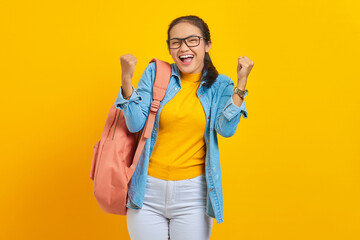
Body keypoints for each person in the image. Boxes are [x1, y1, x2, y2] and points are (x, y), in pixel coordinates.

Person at [115, 15, 254, 240]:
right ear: (169, 48)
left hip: (193, 196)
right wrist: (126, 81)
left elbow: (226, 129)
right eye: (176, 42)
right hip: (147, 191)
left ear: (207, 45)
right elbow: (135, 124)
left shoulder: (221, 85)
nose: (183, 48)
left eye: (192, 40)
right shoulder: (156, 73)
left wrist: (241, 85)